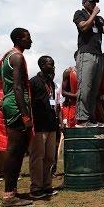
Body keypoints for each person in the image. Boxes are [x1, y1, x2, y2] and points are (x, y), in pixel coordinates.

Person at [0, 27, 34, 207]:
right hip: (16, 105)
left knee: (17, 151)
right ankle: (9, 195)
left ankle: (11, 191)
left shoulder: (8, 57)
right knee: (15, 150)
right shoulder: (17, 57)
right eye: (28, 38)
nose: (31, 41)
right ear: (19, 40)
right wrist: (25, 114)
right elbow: (18, 87)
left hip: (12, 103)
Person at [73, 0, 104, 127]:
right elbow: (84, 27)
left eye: (95, 2)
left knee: (94, 88)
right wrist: (94, 13)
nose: (94, 4)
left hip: (98, 54)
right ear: (84, 3)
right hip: (86, 53)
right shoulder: (80, 14)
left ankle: (91, 117)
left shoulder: (99, 19)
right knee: (85, 87)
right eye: (91, 2)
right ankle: (82, 119)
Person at [28, 55, 59, 198]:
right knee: (37, 157)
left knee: (49, 158)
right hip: (39, 126)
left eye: (53, 64)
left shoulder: (51, 83)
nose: (52, 67)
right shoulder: (33, 82)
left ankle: (47, 185)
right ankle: (36, 188)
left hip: (51, 125)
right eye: (49, 64)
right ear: (41, 65)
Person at [60, 51, 78, 129]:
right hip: (73, 106)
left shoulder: (90, 73)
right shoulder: (69, 72)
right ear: (75, 58)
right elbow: (63, 92)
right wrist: (76, 96)